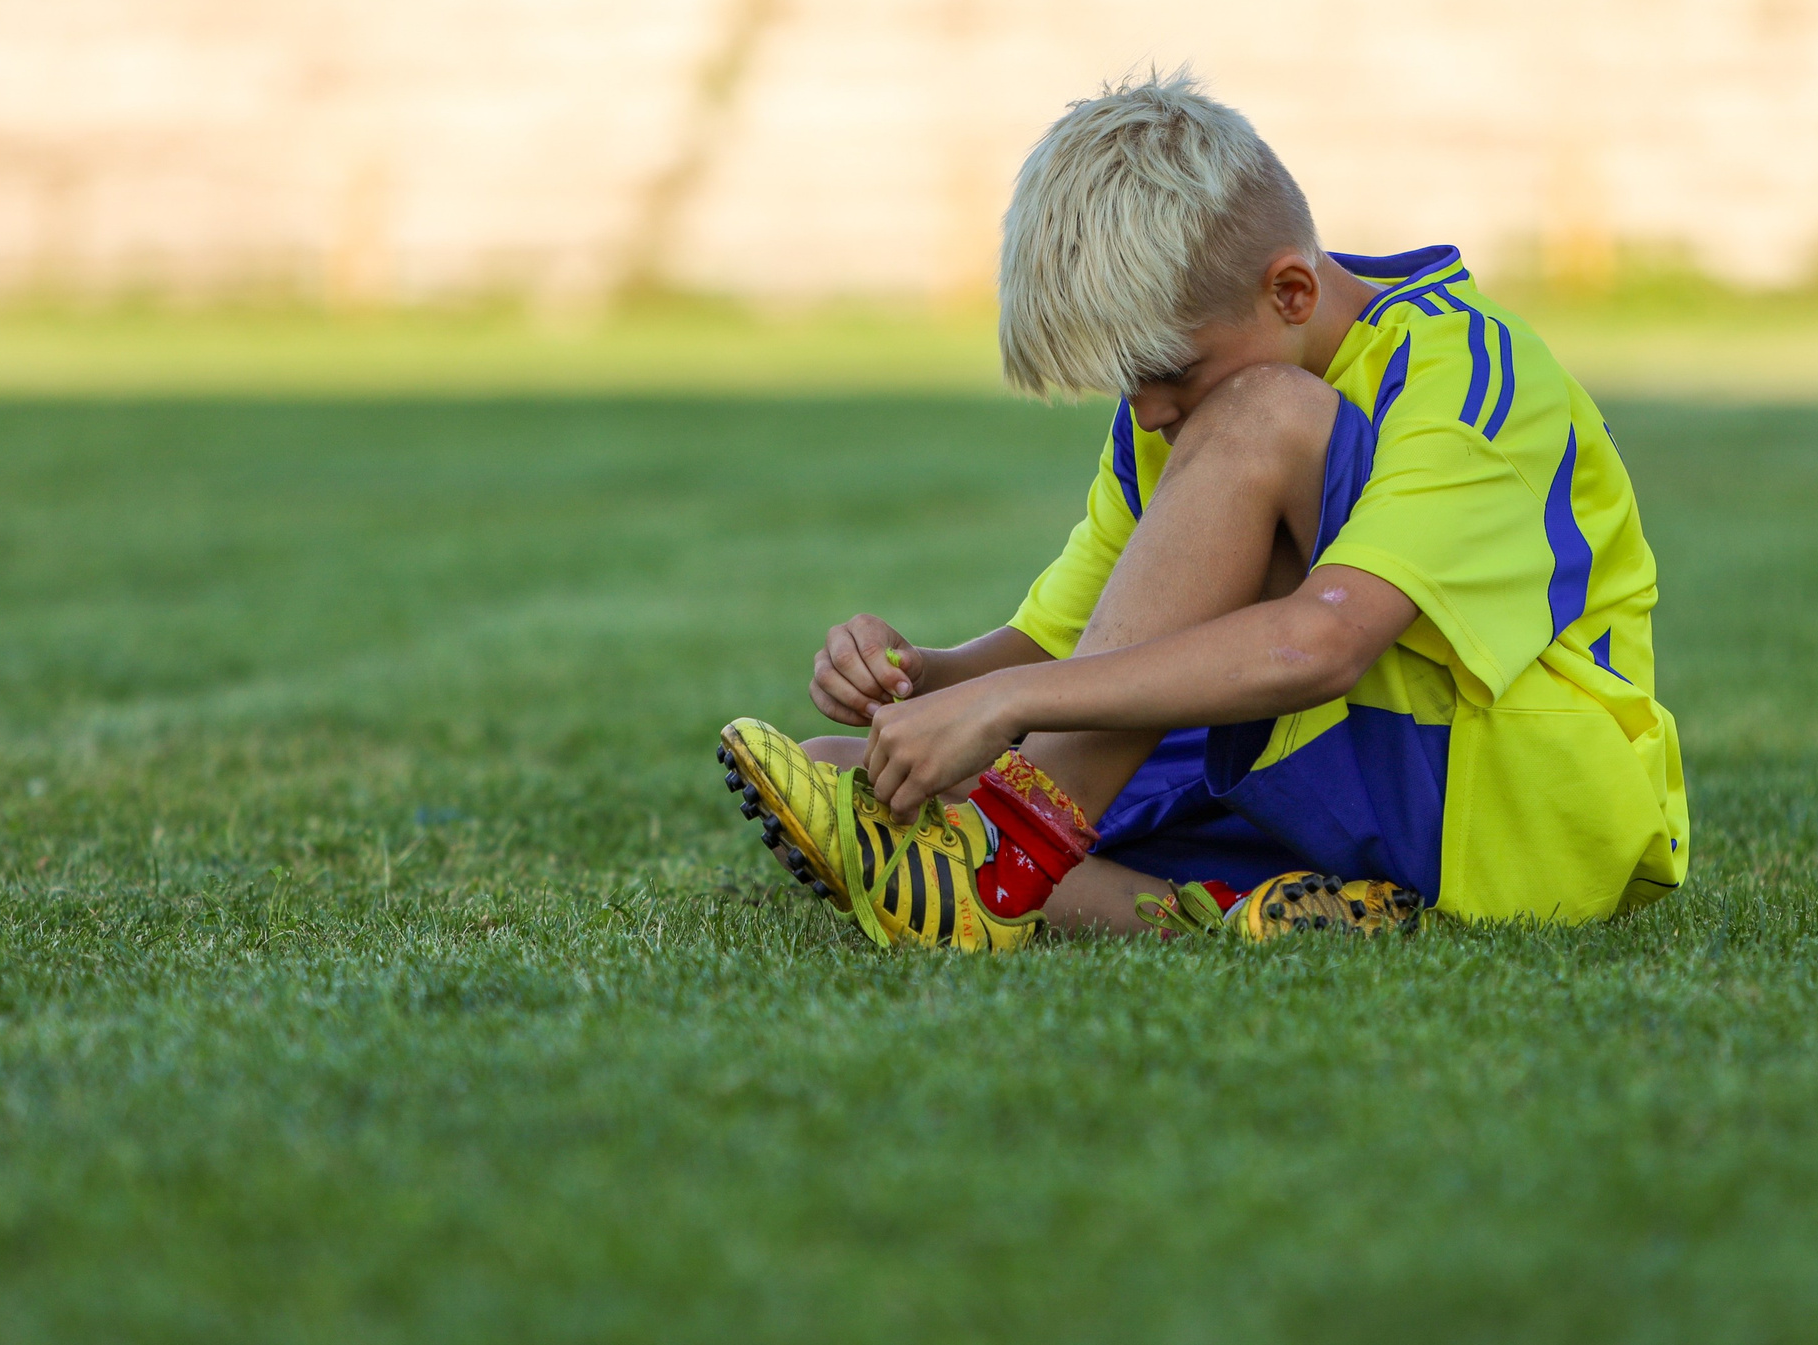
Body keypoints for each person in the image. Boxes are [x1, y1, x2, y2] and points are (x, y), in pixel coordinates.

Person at [718, 70, 1687, 949]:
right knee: (852, 777)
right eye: (1127, 383)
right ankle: (1249, 918)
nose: (1148, 413)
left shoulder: (1465, 374)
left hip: (1510, 807)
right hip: (1340, 769)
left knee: (1266, 415)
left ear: (1291, 291)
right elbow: (1073, 646)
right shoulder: (1181, 404)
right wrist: (925, 678)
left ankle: (1003, 859)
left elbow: (1321, 644)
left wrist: (1003, 703)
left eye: (1169, 373)